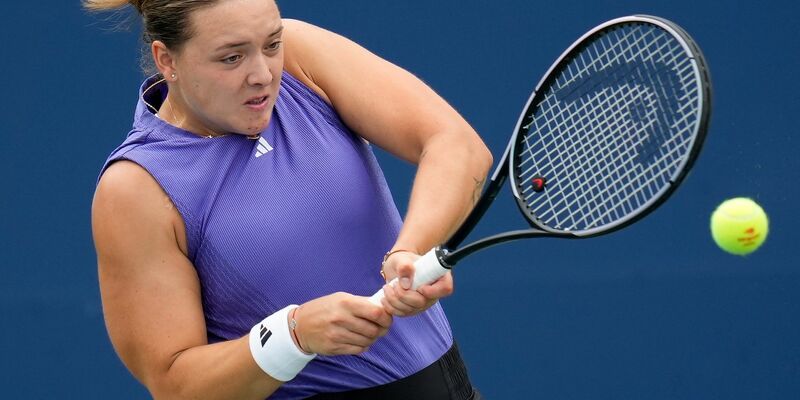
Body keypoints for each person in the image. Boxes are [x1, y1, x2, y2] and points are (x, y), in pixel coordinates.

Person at [88, 0, 492, 398]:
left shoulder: (301, 58)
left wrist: (410, 250)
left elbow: (457, 145)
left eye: (271, 44)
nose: (263, 74)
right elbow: (175, 385)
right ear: (167, 60)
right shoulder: (136, 188)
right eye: (231, 59)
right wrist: (294, 334)